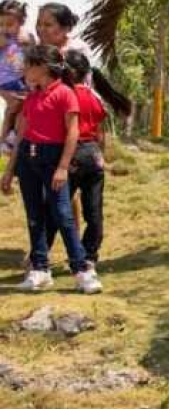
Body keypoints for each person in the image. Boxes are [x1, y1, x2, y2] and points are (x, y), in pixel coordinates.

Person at [1, 45, 101, 294]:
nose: (23, 71)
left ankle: (81, 270)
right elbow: (22, 134)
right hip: (29, 159)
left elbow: (73, 132)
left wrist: (63, 167)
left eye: (27, 66)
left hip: (53, 158)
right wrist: (10, 169)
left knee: (63, 215)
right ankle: (40, 269)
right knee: (34, 217)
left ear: (42, 68)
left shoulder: (66, 94)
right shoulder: (32, 96)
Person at [44, 51, 109, 269]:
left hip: (70, 153)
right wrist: (102, 157)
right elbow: (100, 133)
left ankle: (40, 256)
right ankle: (89, 256)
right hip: (93, 155)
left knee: (56, 209)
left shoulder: (63, 95)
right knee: (94, 211)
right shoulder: (94, 97)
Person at [1, 0, 35, 153]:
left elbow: (35, 52)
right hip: (4, 82)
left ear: (21, 22)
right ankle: (3, 139)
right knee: (13, 106)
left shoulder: (27, 37)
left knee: (24, 109)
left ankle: (14, 137)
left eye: (9, 24)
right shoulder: (2, 38)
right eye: (1, 24)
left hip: (22, 81)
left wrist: (28, 44)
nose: (4, 28)